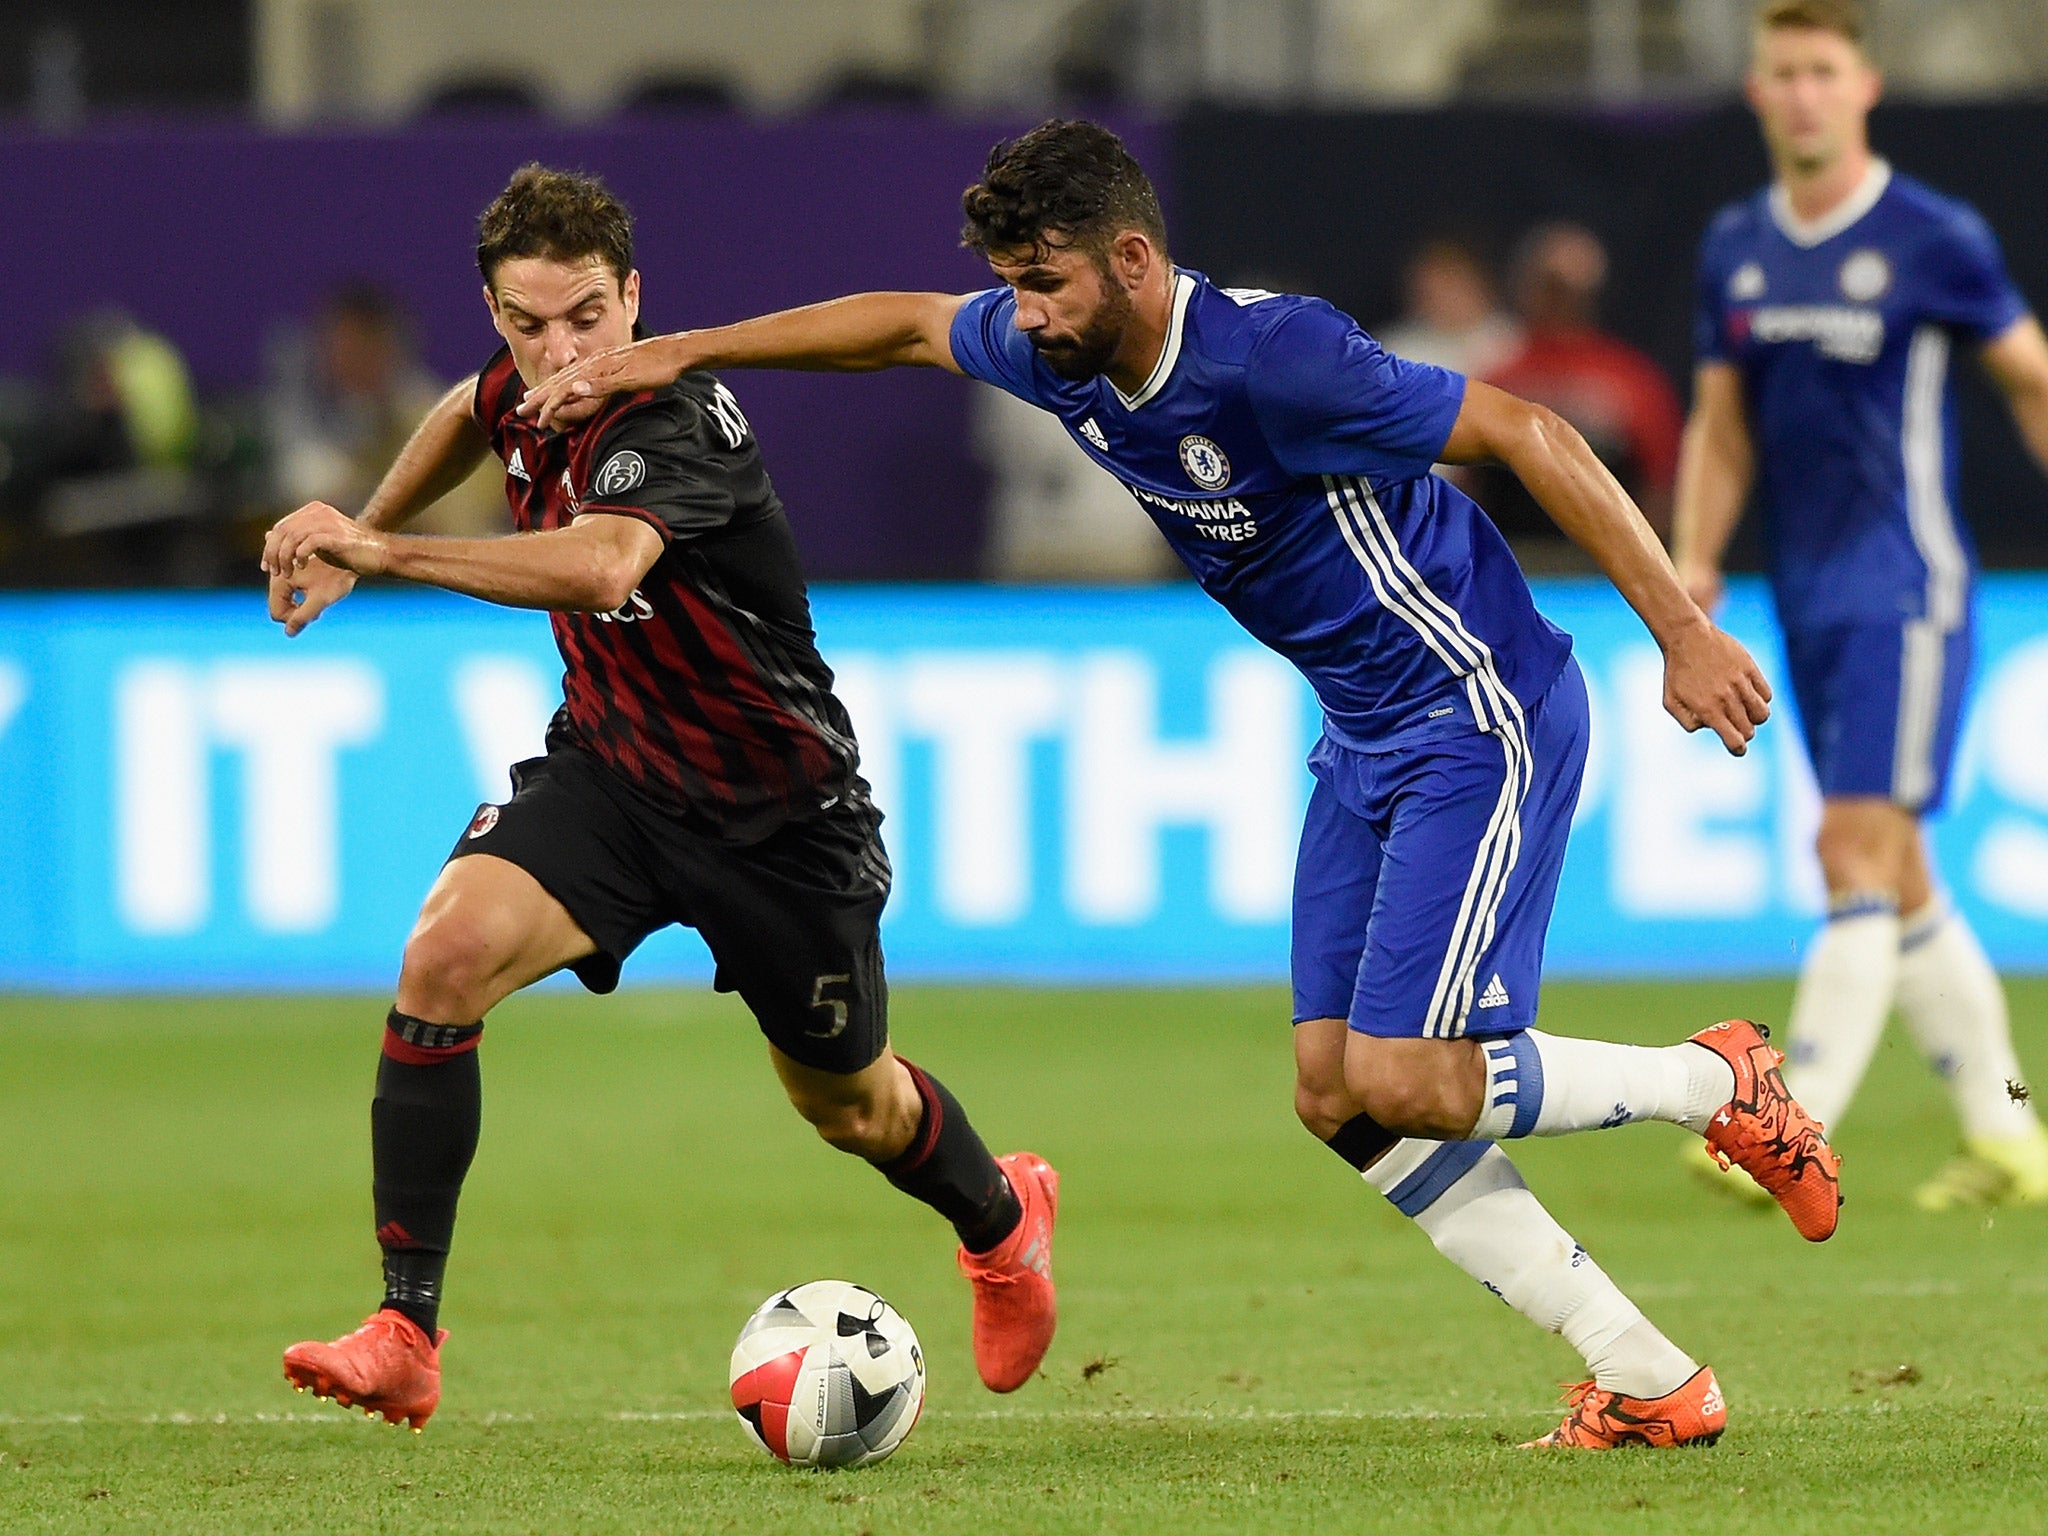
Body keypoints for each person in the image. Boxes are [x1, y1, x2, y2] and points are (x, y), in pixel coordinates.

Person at [521, 120, 1837, 1450]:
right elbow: (912, 325)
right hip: (1365, 731)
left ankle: (1718, 1084)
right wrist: (684, 349)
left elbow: (1532, 431)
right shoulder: (1067, 354)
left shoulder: (1280, 361)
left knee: (1419, 1078)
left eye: (1044, 285)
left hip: (1477, 708)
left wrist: (1680, 629)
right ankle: (1648, 1375)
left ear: (1134, 261)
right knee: (1336, 1097)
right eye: (1016, 287)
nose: (1021, 319)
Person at [261, 165, 1059, 1431]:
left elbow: (601, 564)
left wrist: (385, 550)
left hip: (781, 820)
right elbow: (469, 413)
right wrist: (365, 521)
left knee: (848, 1106)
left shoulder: (679, 422)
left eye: (586, 317)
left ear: (634, 297)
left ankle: (1002, 1218)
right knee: (444, 956)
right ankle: (405, 1328)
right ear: (496, 315)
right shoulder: (520, 389)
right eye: (527, 326)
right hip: (616, 775)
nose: (560, 351)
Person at [1673, 0, 2048, 1210]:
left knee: (1847, 848)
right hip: (1805, 593)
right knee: (1902, 873)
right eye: (1781, 73)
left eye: (1821, 72)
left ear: (1863, 86)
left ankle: (1786, 1125)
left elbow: (2028, 377)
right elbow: (1721, 424)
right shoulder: (1735, 243)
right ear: (1755, 92)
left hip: (1908, 585)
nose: (1801, 95)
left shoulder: (1932, 237)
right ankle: (2007, 1133)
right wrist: (1692, 558)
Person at [1479, 224, 1684, 543]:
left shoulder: (1632, 380)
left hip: (1603, 566)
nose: (1558, 301)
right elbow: (1469, 487)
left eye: (1569, 289)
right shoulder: (1496, 377)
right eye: (1550, 286)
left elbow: (1661, 486)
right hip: (1517, 557)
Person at [266, 281, 507, 538]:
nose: (351, 359)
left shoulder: (431, 412)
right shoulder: (302, 409)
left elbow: (463, 520)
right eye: (342, 347)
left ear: (388, 348)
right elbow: (306, 485)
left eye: (364, 346)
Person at [1375, 239, 1521, 379]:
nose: (1444, 298)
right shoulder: (1395, 352)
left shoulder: (1515, 339)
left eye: (1452, 285)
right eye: (1432, 290)